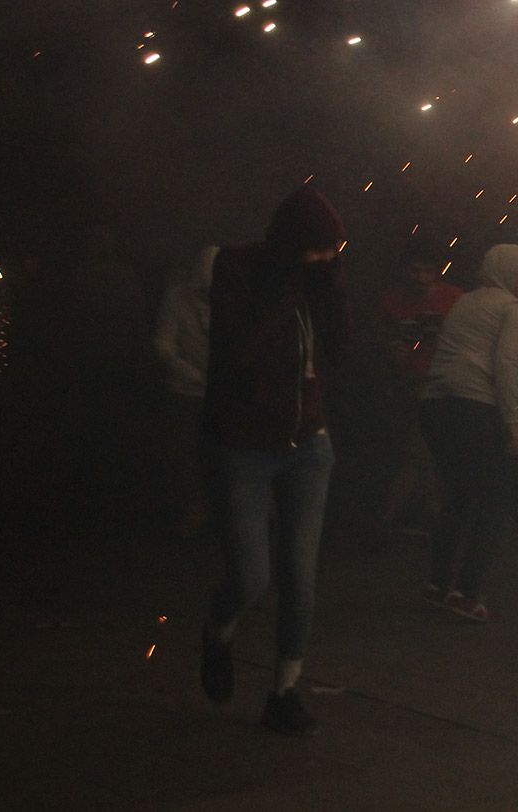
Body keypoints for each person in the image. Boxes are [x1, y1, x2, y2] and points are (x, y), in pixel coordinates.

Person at [199, 185, 350, 736]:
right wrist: (291, 286)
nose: (329, 258)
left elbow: (339, 349)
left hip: (308, 443)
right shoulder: (237, 268)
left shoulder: (317, 277)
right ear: (291, 245)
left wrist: (329, 288)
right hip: (243, 442)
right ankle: (219, 631)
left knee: (299, 573)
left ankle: (285, 690)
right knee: (251, 573)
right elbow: (237, 350)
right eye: (320, 250)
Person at [419, 244, 518, 622]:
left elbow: (474, 358)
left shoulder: (466, 301)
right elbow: (502, 364)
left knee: (458, 497)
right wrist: (513, 423)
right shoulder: (513, 308)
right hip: (474, 408)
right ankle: (467, 593)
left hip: (435, 404)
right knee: (494, 502)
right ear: (505, 271)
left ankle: (438, 585)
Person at [374, 236, 462, 534]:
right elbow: (383, 337)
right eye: (415, 271)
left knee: (421, 455)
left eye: (427, 271)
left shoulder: (454, 298)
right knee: (420, 455)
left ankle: (389, 521)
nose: (421, 278)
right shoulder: (391, 299)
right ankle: (433, 518)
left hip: (442, 385)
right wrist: (390, 349)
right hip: (406, 383)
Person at [152, 245, 219, 536]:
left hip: (221, 392)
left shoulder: (232, 298)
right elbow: (163, 344)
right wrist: (189, 373)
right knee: (184, 454)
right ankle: (195, 508)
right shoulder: (177, 297)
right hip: (185, 391)